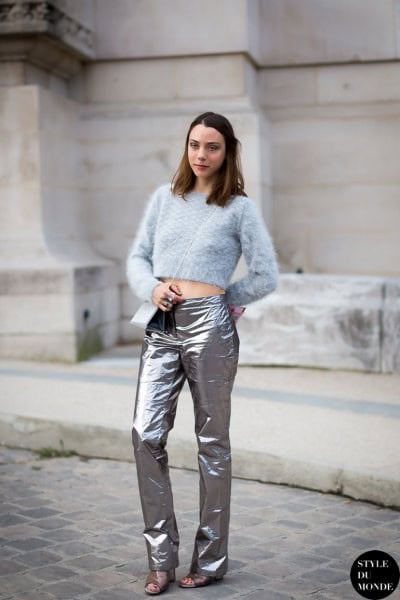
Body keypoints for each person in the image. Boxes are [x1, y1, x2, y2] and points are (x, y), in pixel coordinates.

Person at [126, 111, 278, 595]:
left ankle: (210, 560)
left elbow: (265, 273)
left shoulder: (238, 209)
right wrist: (151, 289)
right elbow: (137, 258)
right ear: (186, 147)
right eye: (195, 144)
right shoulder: (164, 200)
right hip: (162, 325)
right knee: (144, 432)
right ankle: (160, 558)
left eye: (212, 147)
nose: (202, 155)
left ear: (227, 151)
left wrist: (225, 302)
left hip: (210, 328)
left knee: (212, 444)